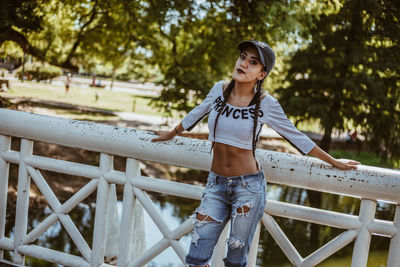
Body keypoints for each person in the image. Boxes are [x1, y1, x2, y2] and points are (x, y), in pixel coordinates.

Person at [151, 40, 360, 267]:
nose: (244, 64)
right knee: (196, 257)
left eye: (253, 62)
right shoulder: (219, 90)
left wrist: (333, 161)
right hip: (216, 185)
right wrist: (171, 133)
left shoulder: (265, 103)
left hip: (247, 189)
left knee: (235, 260)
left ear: (261, 74)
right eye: (243, 57)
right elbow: (196, 113)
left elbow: (296, 136)